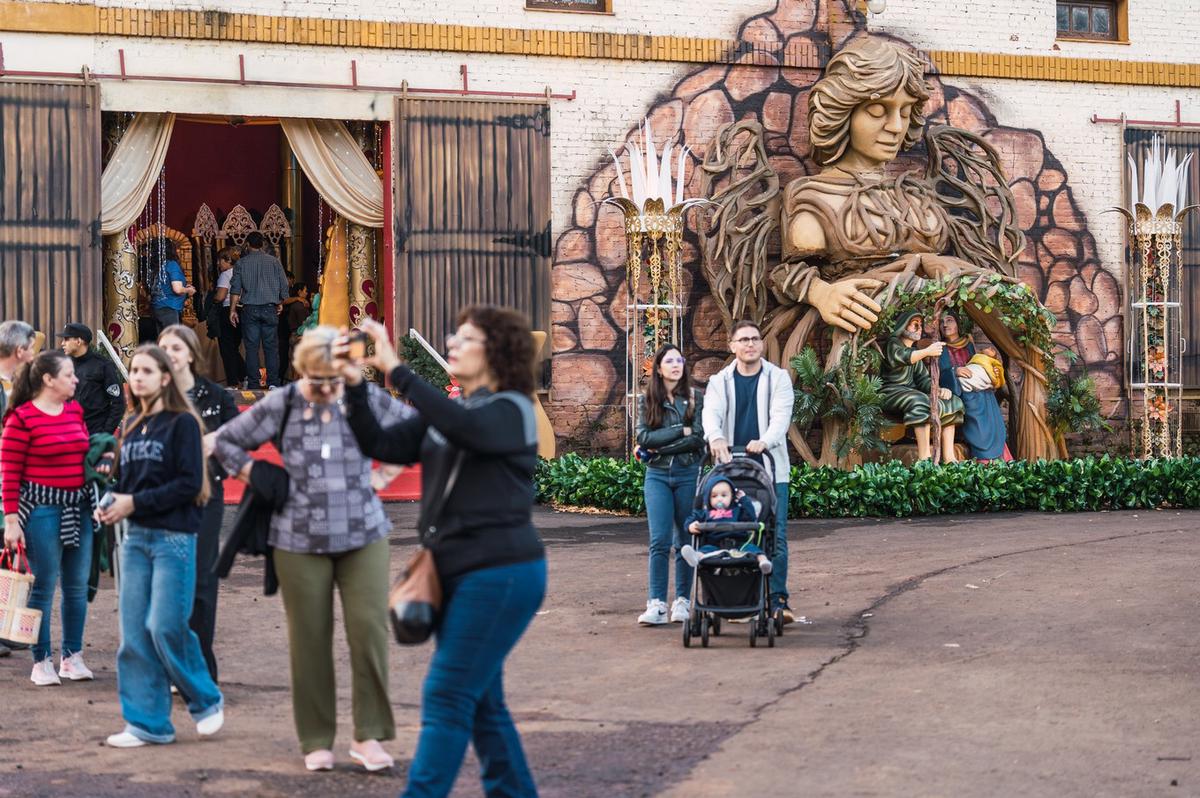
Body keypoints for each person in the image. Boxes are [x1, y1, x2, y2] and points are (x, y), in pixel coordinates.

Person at [339, 308, 546, 798]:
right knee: (482, 703)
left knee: (448, 693)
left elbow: (461, 427)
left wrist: (396, 369)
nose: (452, 341)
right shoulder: (459, 412)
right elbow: (381, 442)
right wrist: (353, 383)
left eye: (466, 338)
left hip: (500, 573)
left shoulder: (511, 409)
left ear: (496, 351)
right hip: (454, 571)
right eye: (454, 333)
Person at [214, 326, 409, 772]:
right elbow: (226, 441)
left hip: (363, 532)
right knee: (309, 640)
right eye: (316, 381)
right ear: (302, 370)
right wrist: (255, 476)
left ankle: (370, 736)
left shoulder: (361, 395)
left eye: (333, 380)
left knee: (369, 634)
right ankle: (316, 737)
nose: (325, 389)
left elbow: (413, 431)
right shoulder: (282, 402)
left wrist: (382, 477)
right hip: (297, 538)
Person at [95, 345, 224, 748]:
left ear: (165, 378)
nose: (137, 377)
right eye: (134, 370)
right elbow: (127, 482)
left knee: (165, 626)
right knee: (133, 634)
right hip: (134, 540)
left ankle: (205, 699)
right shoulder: (133, 423)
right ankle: (147, 724)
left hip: (173, 538)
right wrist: (111, 499)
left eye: (147, 371)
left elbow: (189, 484)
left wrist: (134, 503)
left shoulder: (183, 423)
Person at [1, 351, 95, 684]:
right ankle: (40, 661)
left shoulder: (74, 410)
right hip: (40, 510)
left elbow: (84, 453)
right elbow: (10, 472)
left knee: (76, 586)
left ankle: (72, 657)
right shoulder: (21, 418)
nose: (76, 380)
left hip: (79, 508)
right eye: (69, 375)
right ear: (48, 380)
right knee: (43, 585)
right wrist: (11, 521)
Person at [158, 324, 239, 682]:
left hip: (206, 499)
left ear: (191, 353)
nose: (169, 354)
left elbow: (240, 438)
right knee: (168, 583)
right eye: (163, 348)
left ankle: (201, 664)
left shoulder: (216, 396)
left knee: (202, 583)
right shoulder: (154, 396)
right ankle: (172, 663)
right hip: (161, 500)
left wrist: (216, 454)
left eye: (175, 347)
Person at [701, 319, 796, 623]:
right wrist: (715, 437)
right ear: (732, 346)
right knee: (728, 532)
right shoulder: (720, 381)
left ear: (761, 344)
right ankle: (732, 599)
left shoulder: (778, 378)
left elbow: (780, 418)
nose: (750, 344)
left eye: (755, 339)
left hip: (770, 469)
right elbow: (711, 414)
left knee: (775, 535)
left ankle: (778, 601)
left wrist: (764, 441)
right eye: (743, 340)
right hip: (730, 472)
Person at [634, 344, 705, 626]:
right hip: (657, 476)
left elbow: (697, 437)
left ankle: (683, 602)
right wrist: (679, 431)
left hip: (688, 473)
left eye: (680, 360)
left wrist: (662, 442)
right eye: (669, 361)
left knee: (685, 541)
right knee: (659, 541)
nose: (676, 365)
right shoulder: (647, 399)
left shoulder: (694, 398)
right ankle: (657, 604)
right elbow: (643, 438)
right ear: (659, 368)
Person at [880, 311, 964, 462]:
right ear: (903, 326)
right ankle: (924, 458)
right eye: (915, 325)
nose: (919, 329)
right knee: (920, 401)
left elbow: (923, 380)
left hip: (909, 392)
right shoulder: (892, 343)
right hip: (890, 391)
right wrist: (927, 352)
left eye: (920, 325)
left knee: (952, 401)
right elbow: (901, 358)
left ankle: (949, 457)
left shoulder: (915, 352)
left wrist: (937, 390)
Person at [0, 319, 36, 658]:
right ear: (20, 351)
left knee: (7, 558)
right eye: (32, 350)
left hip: (12, 486)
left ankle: (6, 626)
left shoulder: (19, 385)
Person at [938, 314, 1012, 462]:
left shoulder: (968, 343)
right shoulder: (942, 349)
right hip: (962, 392)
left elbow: (977, 362)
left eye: (949, 320)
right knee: (977, 419)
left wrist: (990, 370)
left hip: (981, 391)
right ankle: (984, 458)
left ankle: (1002, 456)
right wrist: (955, 371)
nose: (945, 325)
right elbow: (940, 374)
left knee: (992, 413)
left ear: (958, 323)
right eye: (941, 322)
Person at [229, 231, 289, 389]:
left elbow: (235, 289)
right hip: (270, 308)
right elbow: (284, 284)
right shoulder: (274, 262)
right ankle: (273, 383)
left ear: (247, 245)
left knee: (251, 348)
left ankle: (254, 384)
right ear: (262, 244)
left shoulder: (241, 263)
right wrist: (281, 301)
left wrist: (232, 310)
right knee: (271, 348)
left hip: (250, 309)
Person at [680, 474, 771, 573]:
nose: (719, 499)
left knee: (755, 550)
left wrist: (743, 499)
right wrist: (690, 526)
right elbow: (691, 519)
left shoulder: (737, 510)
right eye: (714, 496)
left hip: (740, 545)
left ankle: (764, 562)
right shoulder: (705, 513)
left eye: (724, 495)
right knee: (704, 550)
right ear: (707, 499)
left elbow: (751, 516)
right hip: (714, 545)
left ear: (732, 496)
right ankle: (695, 557)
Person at [59, 323, 123, 437]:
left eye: (66, 339)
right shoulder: (63, 364)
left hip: (94, 434)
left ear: (79, 341)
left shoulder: (103, 365)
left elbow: (118, 402)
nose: (62, 343)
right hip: (67, 433)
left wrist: (105, 434)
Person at [212, 246, 246, 388]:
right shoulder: (243, 272)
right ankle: (244, 376)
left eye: (220, 260)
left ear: (227, 260)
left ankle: (234, 382)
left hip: (227, 311)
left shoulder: (226, 275)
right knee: (234, 348)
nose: (218, 264)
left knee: (227, 349)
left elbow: (221, 296)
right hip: (243, 311)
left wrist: (212, 299)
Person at [146, 238, 195, 333]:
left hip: (157, 307)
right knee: (172, 340)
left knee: (163, 340)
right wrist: (189, 290)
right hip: (169, 307)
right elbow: (177, 289)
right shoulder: (172, 264)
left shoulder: (157, 266)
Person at [277, 282, 312, 383]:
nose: (307, 293)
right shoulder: (299, 306)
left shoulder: (295, 304)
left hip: (292, 336)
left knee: (294, 363)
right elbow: (304, 323)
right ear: (299, 292)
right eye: (305, 291)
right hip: (298, 336)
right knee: (299, 365)